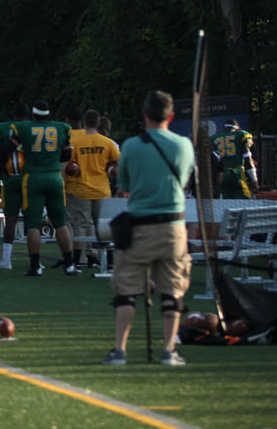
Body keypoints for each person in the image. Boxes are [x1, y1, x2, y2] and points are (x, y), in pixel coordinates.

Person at [104, 90, 195, 367]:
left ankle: (120, 350)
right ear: (171, 116)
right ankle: (169, 351)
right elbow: (184, 179)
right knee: (172, 288)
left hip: (139, 227)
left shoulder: (131, 146)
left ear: (145, 115)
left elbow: (125, 185)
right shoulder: (183, 145)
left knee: (127, 290)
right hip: (173, 227)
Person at [11, 101, 79, 275]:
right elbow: (66, 154)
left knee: (33, 224)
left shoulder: (24, 128)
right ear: (49, 114)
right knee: (60, 222)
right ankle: (70, 264)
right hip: (54, 177)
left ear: (33, 115)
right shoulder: (61, 127)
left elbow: (9, 147)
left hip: (33, 177)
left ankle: (35, 266)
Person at [67, 109, 121, 266]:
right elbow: (119, 163)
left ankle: (78, 261)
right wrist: (110, 169)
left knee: (80, 226)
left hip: (81, 189)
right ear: (98, 123)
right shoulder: (107, 142)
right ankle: (109, 261)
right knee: (103, 225)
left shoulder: (76, 142)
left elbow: (70, 166)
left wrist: (75, 169)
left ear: (84, 123)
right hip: (102, 189)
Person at [0, 104, 26, 270]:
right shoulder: (34, 128)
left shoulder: (2, 129)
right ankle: (35, 260)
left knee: (10, 219)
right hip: (29, 178)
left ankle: (6, 259)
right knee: (32, 220)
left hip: (10, 178)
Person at [214, 119, 257, 199]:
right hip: (237, 174)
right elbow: (247, 158)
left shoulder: (217, 139)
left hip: (224, 176)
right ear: (237, 129)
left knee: (228, 204)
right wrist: (254, 179)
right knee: (245, 203)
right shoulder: (241, 135)